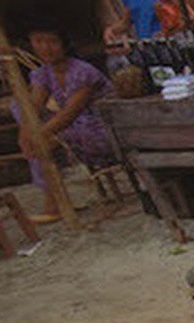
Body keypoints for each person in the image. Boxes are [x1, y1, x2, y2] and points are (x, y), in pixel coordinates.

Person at [13, 24, 117, 223]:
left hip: (104, 130)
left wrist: (39, 136)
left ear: (64, 44)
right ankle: (54, 201)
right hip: (76, 129)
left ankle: (54, 204)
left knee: (45, 140)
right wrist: (25, 135)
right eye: (39, 42)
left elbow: (69, 114)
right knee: (19, 108)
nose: (46, 48)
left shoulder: (82, 71)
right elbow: (33, 108)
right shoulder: (43, 74)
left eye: (52, 42)